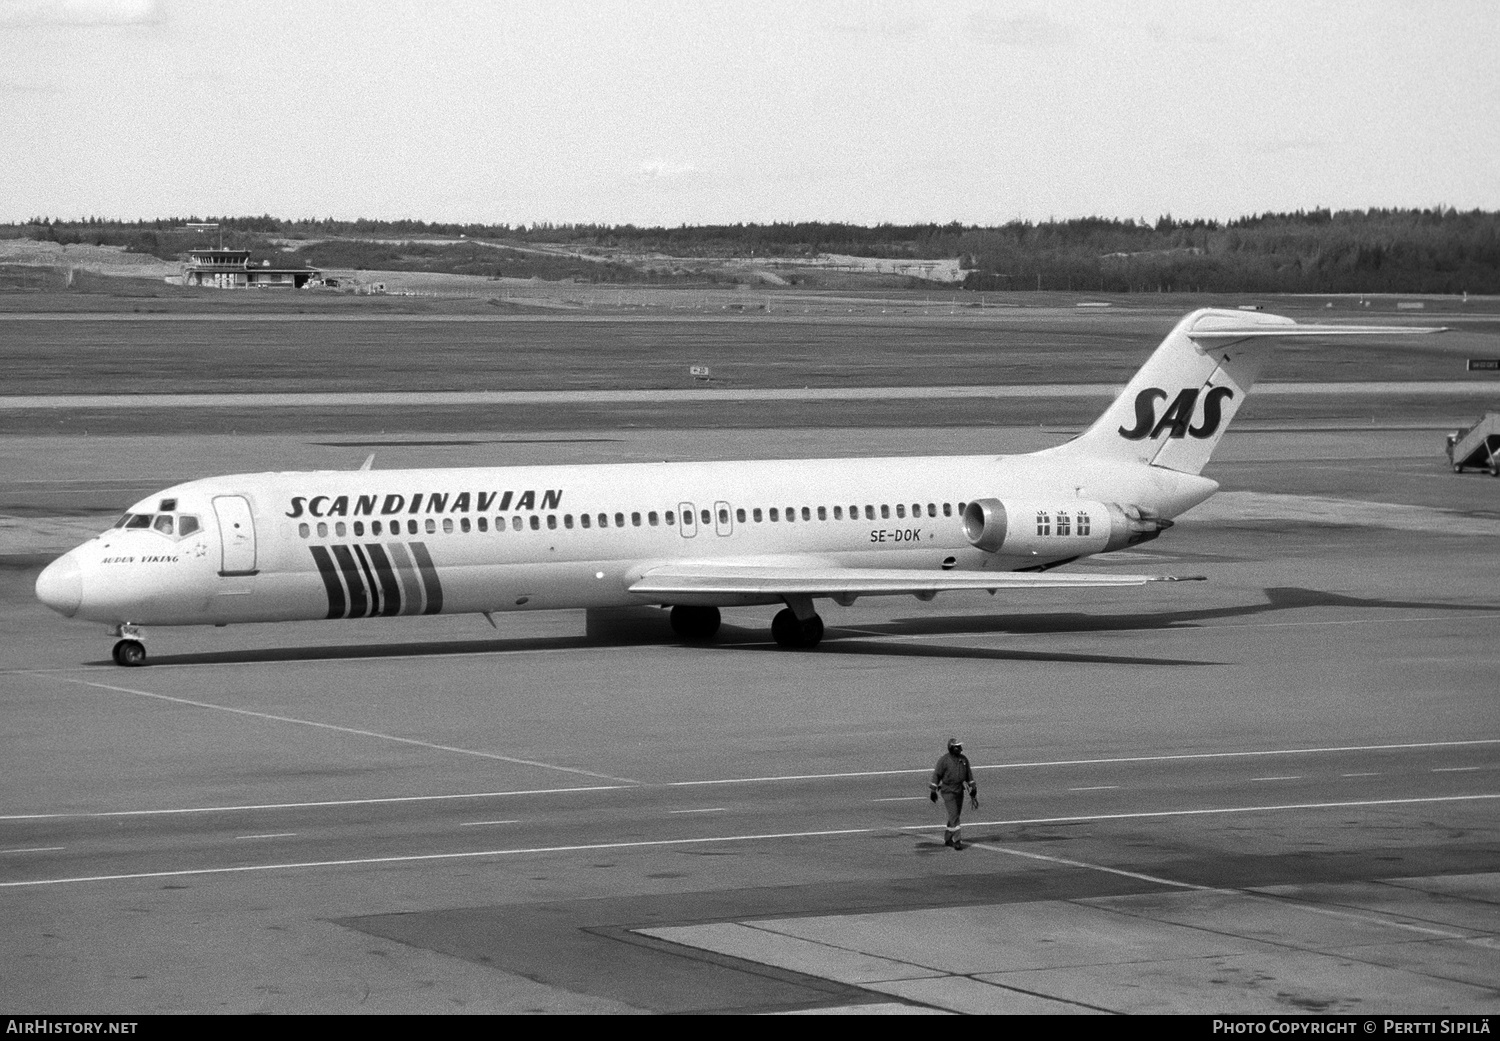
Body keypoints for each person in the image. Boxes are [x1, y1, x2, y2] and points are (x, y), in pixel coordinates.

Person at [929, 737, 978, 849]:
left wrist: (973, 788)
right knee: (954, 815)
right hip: (948, 791)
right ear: (952, 748)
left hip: (959, 791)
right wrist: (933, 790)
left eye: (960, 746)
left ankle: (948, 838)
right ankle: (957, 840)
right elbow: (937, 775)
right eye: (957, 747)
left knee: (954, 815)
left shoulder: (964, 760)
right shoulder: (944, 760)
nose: (960, 748)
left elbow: (968, 775)